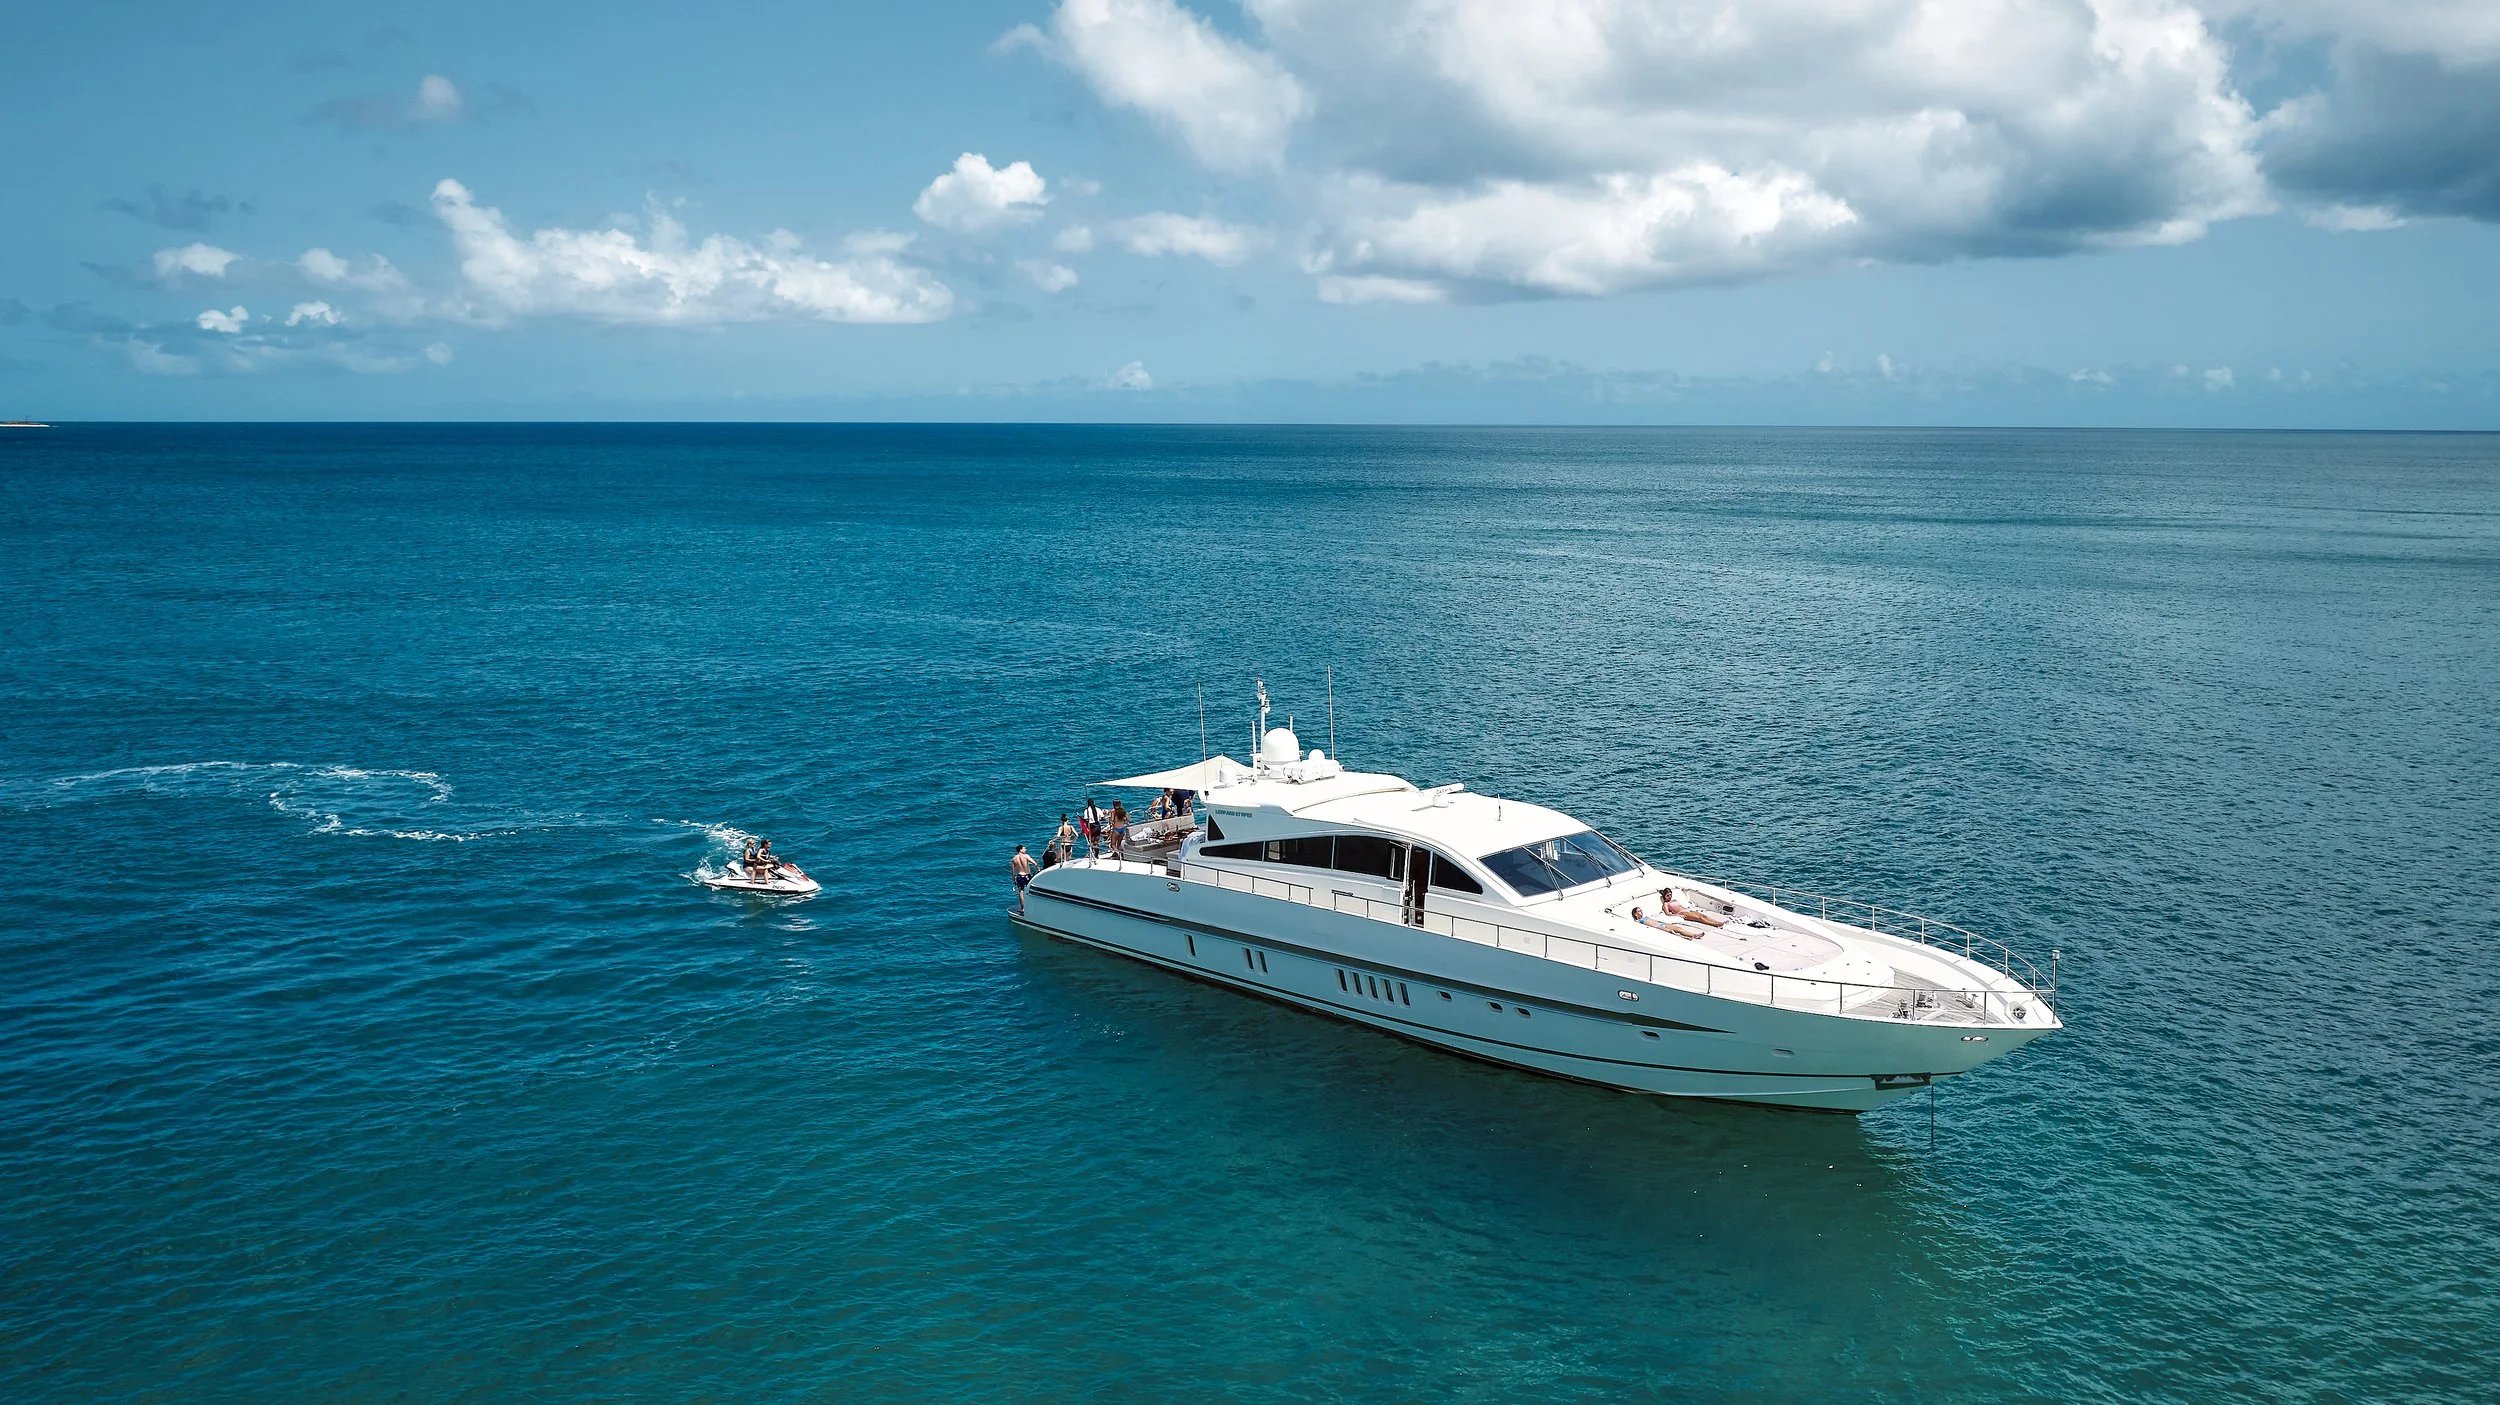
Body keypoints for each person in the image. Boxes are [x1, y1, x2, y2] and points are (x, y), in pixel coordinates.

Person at [1660, 887, 1727, 927]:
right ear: (1664, 896)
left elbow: (1680, 906)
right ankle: (1715, 924)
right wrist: (1677, 915)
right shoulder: (1666, 904)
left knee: (1704, 916)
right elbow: (1667, 913)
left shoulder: (1674, 900)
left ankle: (1718, 922)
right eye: (1668, 895)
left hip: (1687, 910)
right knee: (1700, 918)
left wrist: (1688, 909)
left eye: (1670, 895)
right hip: (1682, 913)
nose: (1670, 896)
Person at [1011, 844, 1037, 911]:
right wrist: (1037, 869)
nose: (1025, 850)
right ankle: (1032, 905)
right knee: (1031, 890)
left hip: (1019, 876)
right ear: (1020, 850)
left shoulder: (1014, 859)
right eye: (1024, 849)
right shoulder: (1026, 856)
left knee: (1021, 891)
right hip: (1027, 875)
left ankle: (1022, 907)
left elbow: (1013, 871)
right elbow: (1034, 863)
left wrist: (1013, 879)